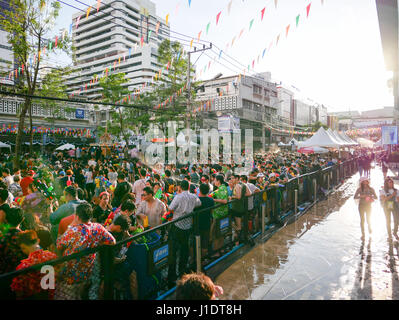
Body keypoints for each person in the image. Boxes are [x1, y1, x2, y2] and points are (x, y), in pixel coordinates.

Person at [55, 202, 116, 300]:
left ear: (77, 216)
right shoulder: (98, 227)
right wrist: (97, 243)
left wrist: (71, 224)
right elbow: (112, 241)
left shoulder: (73, 230)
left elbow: (59, 245)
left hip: (71, 273)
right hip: (88, 271)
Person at [167, 180, 201, 286]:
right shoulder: (193, 196)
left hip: (177, 226)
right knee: (184, 249)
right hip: (187, 226)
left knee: (173, 251)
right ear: (189, 186)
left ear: (180, 187)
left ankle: (171, 276)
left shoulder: (178, 196)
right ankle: (182, 272)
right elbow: (199, 204)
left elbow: (170, 208)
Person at [10, 230, 57, 300]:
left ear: (22, 247)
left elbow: (18, 291)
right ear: (38, 241)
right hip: (55, 295)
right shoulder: (52, 256)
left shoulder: (23, 266)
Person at [195, 184, 215, 258]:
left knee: (195, 243)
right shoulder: (211, 200)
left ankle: (195, 260)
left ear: (199, 190)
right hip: (207, 223)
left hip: (197, 224)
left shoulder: (196, 200)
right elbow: (212, 212)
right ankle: (202, 259)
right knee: (205, 243)